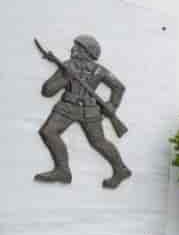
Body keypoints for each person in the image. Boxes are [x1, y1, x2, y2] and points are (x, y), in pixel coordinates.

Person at [34, 35, 132, 188]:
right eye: (75, 46)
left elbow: (119, 87)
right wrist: (65, 77)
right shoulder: (67, 66)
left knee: (98, 142)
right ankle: (62, 171)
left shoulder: (100, 71)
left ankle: (121, 170)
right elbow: (47, 91)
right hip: (67, 107)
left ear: (88, 52)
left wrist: (112, 106)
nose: (74, 49)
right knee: (48, 132)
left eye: (79, 48)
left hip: (89, 110)